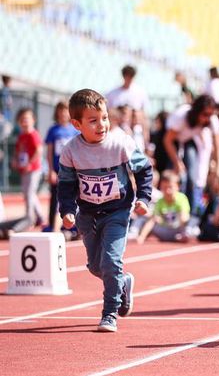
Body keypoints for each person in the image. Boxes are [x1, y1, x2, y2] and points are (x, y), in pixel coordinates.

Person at [58, 89, 152, 332]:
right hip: (87, 214)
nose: (102, 125)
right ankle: (123, 283)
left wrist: (143, 198)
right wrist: (67, 210)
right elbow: (66, 185)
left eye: (105, 118)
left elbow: (144, 170)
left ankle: (110, 313)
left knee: (111, 262)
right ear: (77, 124)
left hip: (117, 212)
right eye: (93, 120)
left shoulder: (120, 142)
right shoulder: (70, 151)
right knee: (95, 267)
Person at [164, 94, 219, 215]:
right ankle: (171, 212)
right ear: (197, 112)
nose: (207, 119)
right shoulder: (181, 117)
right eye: (205, 115)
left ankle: (190, 213)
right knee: (176, 178)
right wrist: (177, 162)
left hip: (189, 142)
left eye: (210, 115)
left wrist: (218, 172)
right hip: (172, 142)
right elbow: (167, 141)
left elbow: (218, 148)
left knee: (193, 177)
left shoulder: (212, 120)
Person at [44, 101, 79, 235]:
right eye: (61, 110)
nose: (63, 113)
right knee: (55, 198)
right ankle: (53, 225)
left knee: (73, 196)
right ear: (57, 113)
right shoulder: (53, 130)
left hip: (71, 170)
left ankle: (73, 225)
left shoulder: (74, 130)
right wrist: (51, 170)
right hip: (58, 170)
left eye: (66, 111)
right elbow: (49, 152)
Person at [137, 171, 193, 244]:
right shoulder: (160, 201)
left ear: (177, 187)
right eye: (164, 187)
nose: (167, 191)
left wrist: (182, 221)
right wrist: (142, 236)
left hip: (178, 230)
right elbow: (153, 219)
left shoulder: (182, 198)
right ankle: (142, 236)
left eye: (170, 187)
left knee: (188, 219)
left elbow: (184, 216)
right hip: (165, 230)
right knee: (151, 219)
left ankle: (183, 236)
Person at [12, 108, 45, 231]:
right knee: (28, 193)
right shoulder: (22, 136)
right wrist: (15, 160)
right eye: (22, 120)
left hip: (33, 170)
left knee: (30, 193)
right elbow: (18, 150)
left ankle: (29, 217)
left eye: (26, 119)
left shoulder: (33, 134)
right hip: (24, 170)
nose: (24, 122)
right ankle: (40, 217)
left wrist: (30, 164)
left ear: (33, 120)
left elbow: (39, 150)